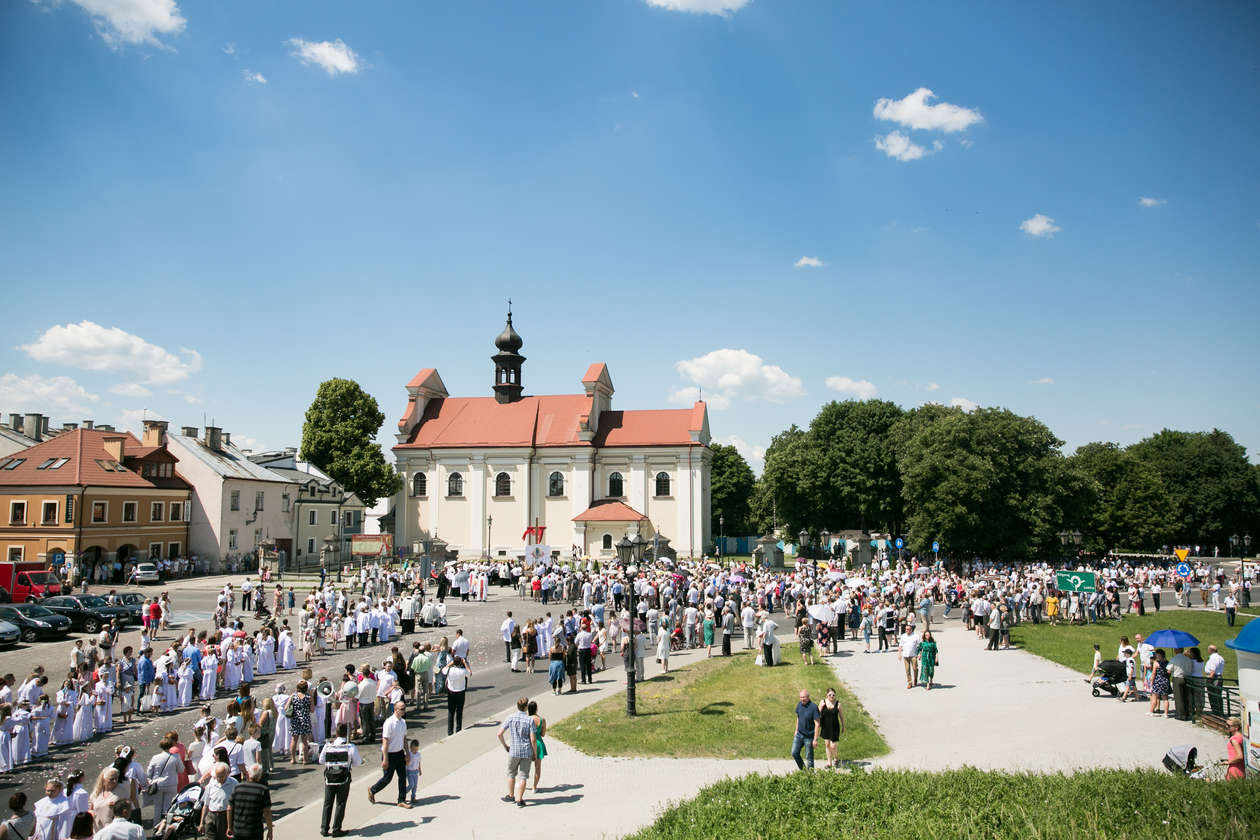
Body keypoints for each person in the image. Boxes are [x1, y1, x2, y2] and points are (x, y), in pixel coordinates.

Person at [318, 724, 362, 837]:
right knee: (340, 803)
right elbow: (357, 762)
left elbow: (321, 760)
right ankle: (336, 829)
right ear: (346, 734)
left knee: (328, 803)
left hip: (330, 777)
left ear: (336, 733)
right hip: (343, 777)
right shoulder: (350, 746)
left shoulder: (328, 746)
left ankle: (324, 828)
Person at [366, 702, 411, 809]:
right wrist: (385, 758)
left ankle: (401, 800)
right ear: (396, 710)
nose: (404, 711)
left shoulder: (403, 722)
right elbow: (385, 741)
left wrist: (407, 753)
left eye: (404, 708)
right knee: (387, 779)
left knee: (402, 776)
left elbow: (404, 739)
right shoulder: (389, 723)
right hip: (389, 754)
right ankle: (372, 790)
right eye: (402, 709)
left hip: (399, 753)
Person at [497, 697, 536, 808]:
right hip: (526, 751)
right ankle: (520, 799)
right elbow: (533, 739)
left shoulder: (511, 717)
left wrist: (505, 745)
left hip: (513, 750)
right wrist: (535, 753)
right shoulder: (529, 720)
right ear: (526, 707)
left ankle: (511, 795)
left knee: (511, 773)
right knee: (523, 776)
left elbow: (499, 733)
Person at [145, 738, 181, 829]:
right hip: (171, 784)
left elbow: (149, 772)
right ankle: (166, 827)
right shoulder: (176, 757)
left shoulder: (155, 758)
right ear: (171, 746)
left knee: (157, 807)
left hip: (158, 785)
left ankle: (156, 827)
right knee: (168, 808)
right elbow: (181, 769)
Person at [227, 765, 271, 840]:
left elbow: (229, 808)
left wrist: (229, 826)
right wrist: (270, 829)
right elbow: (267, 812)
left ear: (249, 774)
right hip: (254, 831)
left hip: (238, 829)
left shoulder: (238, 787)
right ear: (260, 776)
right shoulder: (263, 790)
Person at [198, 764, 235, 840]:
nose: (219, 779)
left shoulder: (233, 783)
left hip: (224, 816)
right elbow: (206, 805)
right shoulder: (211, 785)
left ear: (227, 774)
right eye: (217, 776)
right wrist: (201, 823)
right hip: (211, 815)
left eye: (221, 777)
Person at [791, 689, 820, 770]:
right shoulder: (799, 705)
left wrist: (815, 739)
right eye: (801, 697)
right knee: (794, 753)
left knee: (809, 758)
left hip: (809, 737)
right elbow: (798, 718)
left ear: (808, 697)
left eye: (804, 697)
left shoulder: (814, 707)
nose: (802, 699)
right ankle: (804, 771)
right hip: (799, 734)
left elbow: (817, 724)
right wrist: (796, 730)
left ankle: (810, 776)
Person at [818, 688, 846, 769]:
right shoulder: (822, 702)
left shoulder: (838, 704)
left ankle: (836, 758)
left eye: (833, 695)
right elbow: (817, 713)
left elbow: (841, 716)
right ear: (827, 695)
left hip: (834, 727)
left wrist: (844, 726)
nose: (831, 696)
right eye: (830, 695)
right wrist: (822, 707)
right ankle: (829, 763)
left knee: (833, 746)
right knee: (827, 745)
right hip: (825, 726)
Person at [441, 656, 470, 736]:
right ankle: (458, 729)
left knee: (451, 712)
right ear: (460, 663)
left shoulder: (450, 670)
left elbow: (443, 670)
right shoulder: (463, 671)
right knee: (459, 711)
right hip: (460, 692)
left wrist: (450, 663)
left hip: (451, 692)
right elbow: (469, 673)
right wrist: (465, 663)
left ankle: (450, 731)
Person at [526, 701, 547, 792]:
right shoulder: (542, 720)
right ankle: (534, 787)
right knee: (537, 767)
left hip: (528, 743)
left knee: (524, 765)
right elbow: (543, 734)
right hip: (538, 743)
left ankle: (522, 783)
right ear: (536, 709)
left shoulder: (526, 719)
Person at [1204, 645, 1226, 715]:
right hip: (1218, 677)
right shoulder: (1220, 657)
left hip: (1213, 678)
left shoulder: (1214, 658)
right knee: (1217, 695)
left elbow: (1212, 671)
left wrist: (1209, 680)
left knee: (1213, 695)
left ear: (1211, 650)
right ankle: (1218, 711)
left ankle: (1216, 712)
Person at [403, 740, 422, 807]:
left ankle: (413, 797)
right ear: (411, 748)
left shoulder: (418, 754)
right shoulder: (409, 754)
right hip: (409, 771)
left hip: (415, 771)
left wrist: (420, 770)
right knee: (411, 784)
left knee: (415, 786)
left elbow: (418, 762)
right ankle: (403, 793)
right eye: (413, 749)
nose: (415, 751)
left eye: (416, 749)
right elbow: (406, 763)